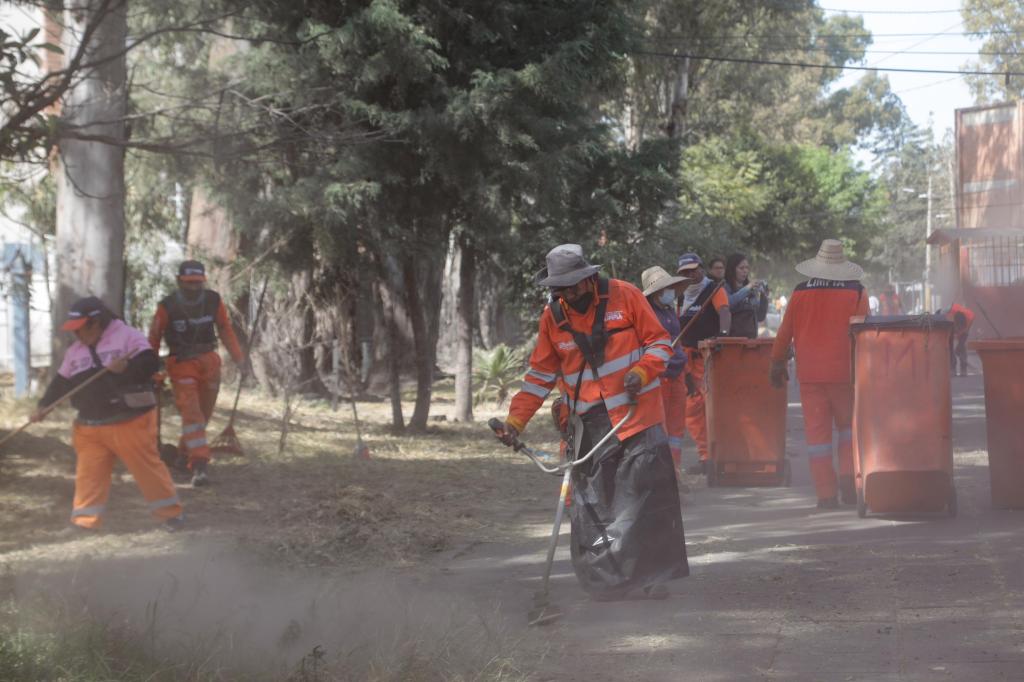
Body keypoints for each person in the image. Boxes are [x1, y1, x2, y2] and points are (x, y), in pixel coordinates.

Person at [495, 245, 688, 600]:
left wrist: (642, 373)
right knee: (593, 508)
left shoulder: (625, 296)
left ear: (587, 278)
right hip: (588, 425)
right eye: (559, 289)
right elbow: (540, 375)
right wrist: (515, 422)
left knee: (643, 501)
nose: (566, 294)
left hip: (636, 418)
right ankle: (606, 584)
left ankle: (650, 577)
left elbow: (660, 343)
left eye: (571, 286)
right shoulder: (553, 317)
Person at [32, 297, 184, 532]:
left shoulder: (127, 336)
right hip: (90, 426)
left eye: (81, 329)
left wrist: (126, 368)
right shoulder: (75, 351)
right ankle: (85, 522)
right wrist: (44, 406)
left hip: (130, 421)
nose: (77, 335)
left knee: (147, 469)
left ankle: (169, 515)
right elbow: (61, 383)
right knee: (89, 475)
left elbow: (150, 363)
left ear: (96, 323)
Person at [770, 240, 868, 509]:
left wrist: (777, 363)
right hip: (845, 374)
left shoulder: (800, 292)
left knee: (817, 438)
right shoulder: (857, 292)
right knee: (849, 430)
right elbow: (865, 334)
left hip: (810, 375)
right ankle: (850, 481)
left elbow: (784, 332)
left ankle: (825, 495)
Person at [149, 260, 244, 486]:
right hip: (181, 364)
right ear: (179, 281)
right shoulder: (167, 306)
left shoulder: (213, 300)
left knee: (203, 414)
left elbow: (225, 329)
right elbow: (153, 339)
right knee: (192, 414)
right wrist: (151, 369)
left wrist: (240, 359)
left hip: (209, 361)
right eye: (189, 283)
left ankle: (183, 455)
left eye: (197, 283)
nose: (193, 287)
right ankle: (199, 463)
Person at [676, 253, 731, 475]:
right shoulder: (680, 296)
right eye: (685, 272)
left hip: (709, 358)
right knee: (692, 411)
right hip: (686, 360)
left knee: (714, 409)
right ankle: (706, 457)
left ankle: (723, 456)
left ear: (701, 268)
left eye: (694, 269)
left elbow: (725, 312)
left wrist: (723, 336)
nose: (691, 274)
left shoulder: (714, 290)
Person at [640, 265, 688, 473]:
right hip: (659, 378)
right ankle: (664, 477)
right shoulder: (647, 313)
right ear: (655, 291)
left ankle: (675, 474)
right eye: (664, 288)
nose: (669, 291)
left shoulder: (669, 311)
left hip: (677, 375)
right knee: (661, 428)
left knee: (676, 430)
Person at [724, 252, 769, 339]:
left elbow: (760, 317)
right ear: (732, 269)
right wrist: (747, 288)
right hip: (731, 341)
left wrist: (764, 297)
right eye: (741, 268)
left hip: (751, 340)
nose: (745, 271)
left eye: (747, 268)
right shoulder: (725, 286)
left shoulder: (751, 289)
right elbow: (728, 303)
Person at [947, 303, 975, 377]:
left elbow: (962, 342)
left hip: (963, 333)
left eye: (960, 328)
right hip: (951, 332)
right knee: (951, 350)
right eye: (957, 327)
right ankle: (953, 367)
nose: (958, 329)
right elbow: (950, 343)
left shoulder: (967, 325)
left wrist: (959, 347)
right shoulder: (950, 322)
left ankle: (963, 368)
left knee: (962, 348)